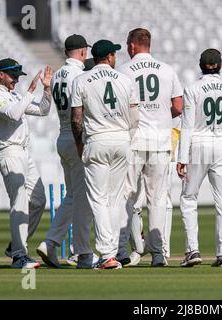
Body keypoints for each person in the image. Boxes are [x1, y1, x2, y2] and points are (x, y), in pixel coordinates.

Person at [71, 39, 139, 269]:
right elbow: (134, 118)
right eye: (114, 55)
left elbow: (76, 119)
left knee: (98, 199)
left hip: (96, 141)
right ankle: (112, 252)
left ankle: (106, 254)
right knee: (114, 199)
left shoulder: (81, 80)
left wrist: (80, 145)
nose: (116, 58)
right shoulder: (125, 79)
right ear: (109, 57)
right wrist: (126, 138)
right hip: (121, 140)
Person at [117, 28, 183, 267]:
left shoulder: (123, 71)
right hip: (160, 140)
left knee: (126, 196)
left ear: (132, 46)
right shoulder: (167, 70)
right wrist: (162, 115)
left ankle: (120, 250)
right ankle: (158, 254)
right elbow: (178, 105)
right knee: (157, 199)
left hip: (133, 141)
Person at [37, 34, 98, 269]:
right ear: (82, 52)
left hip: (61, 138)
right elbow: (82, 114)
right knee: (82, 199)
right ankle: (83, 253)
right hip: (76, 139)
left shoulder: (57, 76)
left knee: (72, 197)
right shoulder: (80, 76)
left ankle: (51, 243)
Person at [0, 58, 52, 268]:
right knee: (20, 200)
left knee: (39, 200)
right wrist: (31, 90)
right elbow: (14, 114)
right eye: (13, 75)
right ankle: (19, 255)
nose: (16, 80)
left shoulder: (14, 95)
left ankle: (15, 243)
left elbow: (43, 110)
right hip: (9, 152)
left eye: (18, 76)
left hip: (25, 153)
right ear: (0, 75)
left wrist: (47, 90)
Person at [177, 49, 222, 268]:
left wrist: (182, 157)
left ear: (201, 65)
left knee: (188, 198)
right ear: (220, 65)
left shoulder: (192, 88)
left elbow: (186, 125)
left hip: (199, 142)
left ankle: (192, 250)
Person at [127, 119, 181, 266]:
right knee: (134, 199)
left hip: (164, 138)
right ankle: (138, 248)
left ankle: (161, 250)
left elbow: (177, 108)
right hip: (138, 140)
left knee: (161, 199)